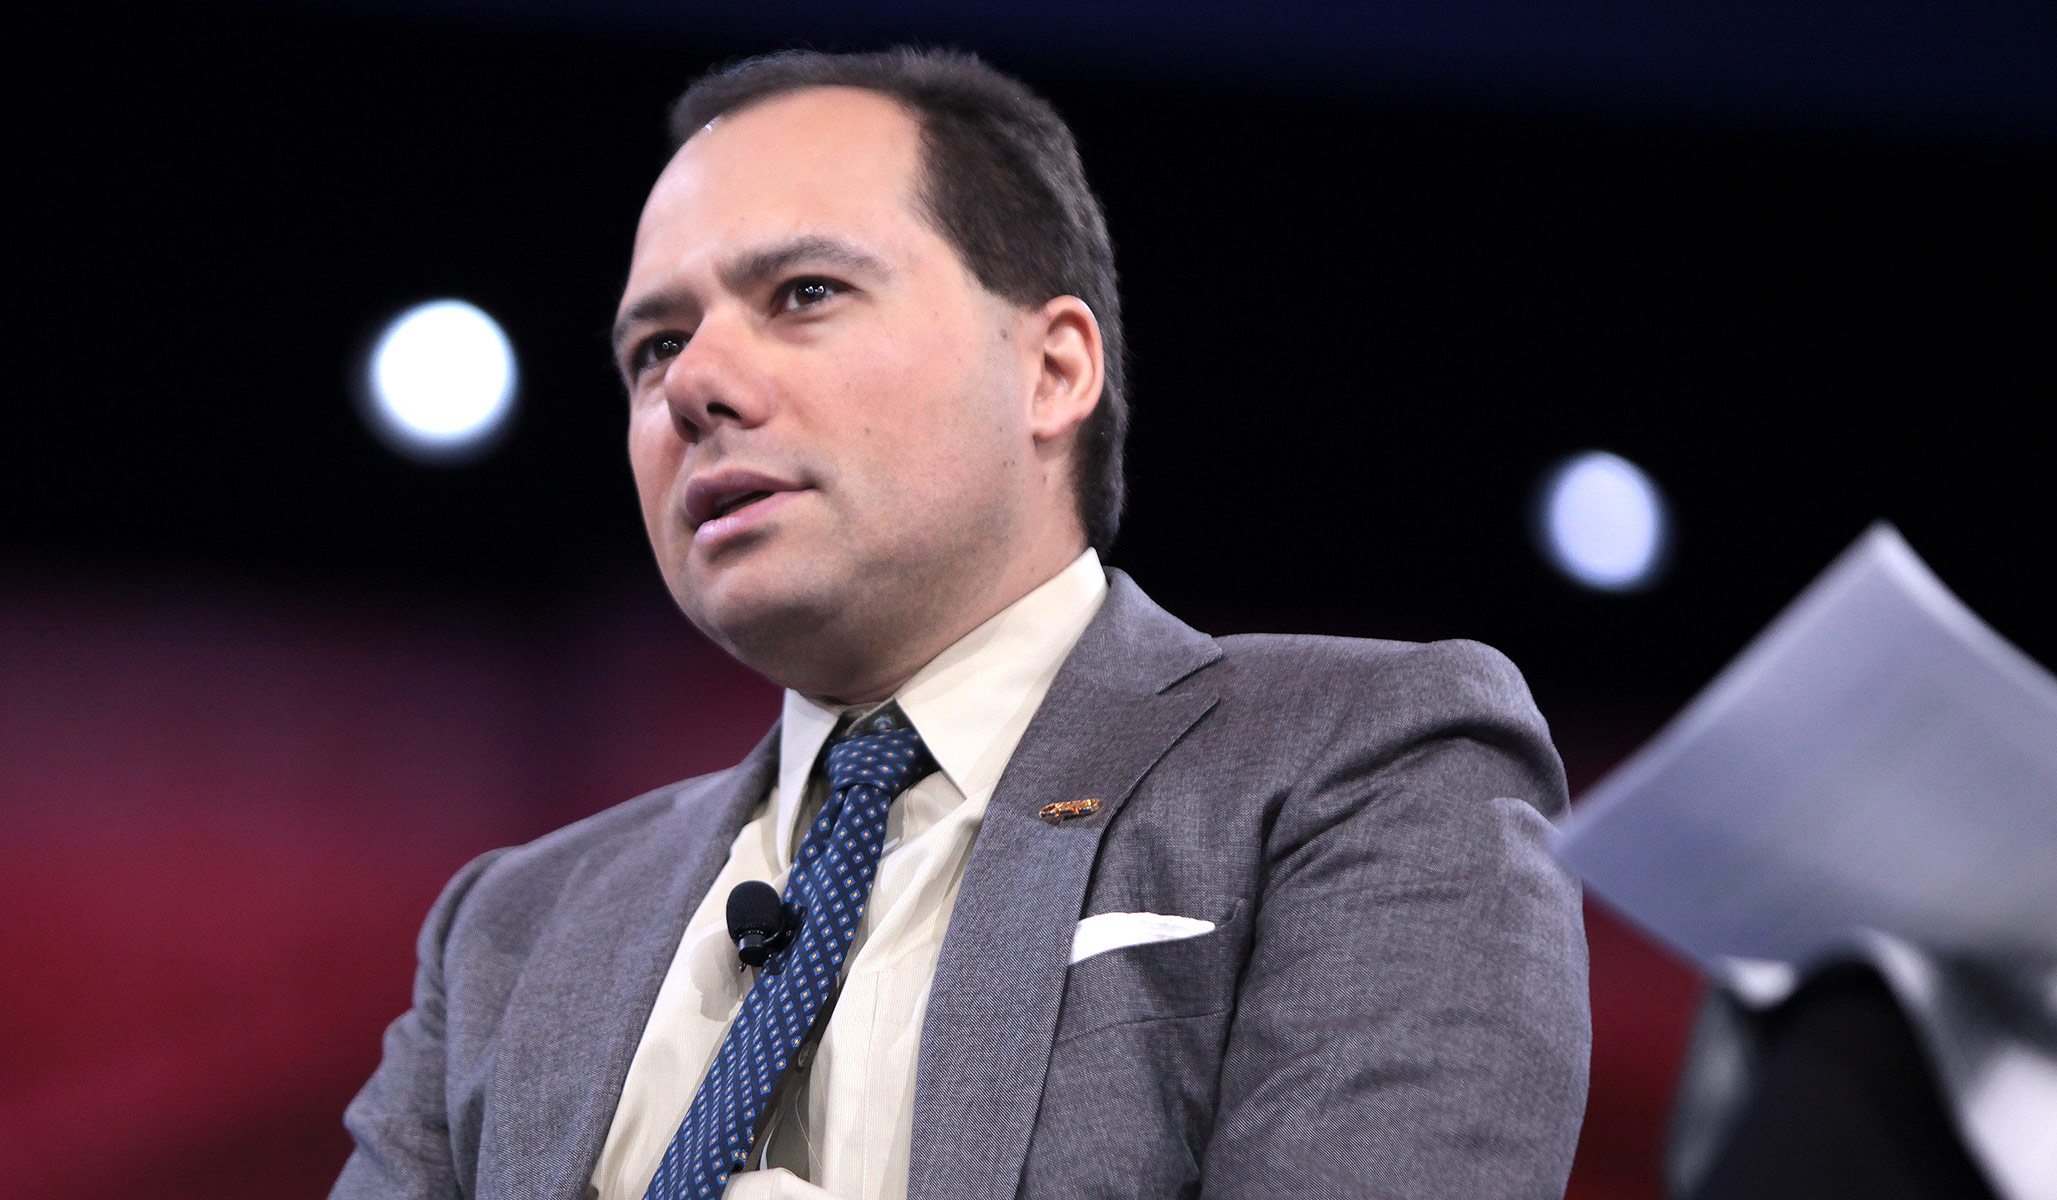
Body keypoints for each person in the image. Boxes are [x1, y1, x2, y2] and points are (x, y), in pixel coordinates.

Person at [332, 48, 1590, 1200]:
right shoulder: (512, 929)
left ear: (1052, 370)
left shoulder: (1361, 762)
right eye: (656, 346)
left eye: (804, 292)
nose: (696, 385)